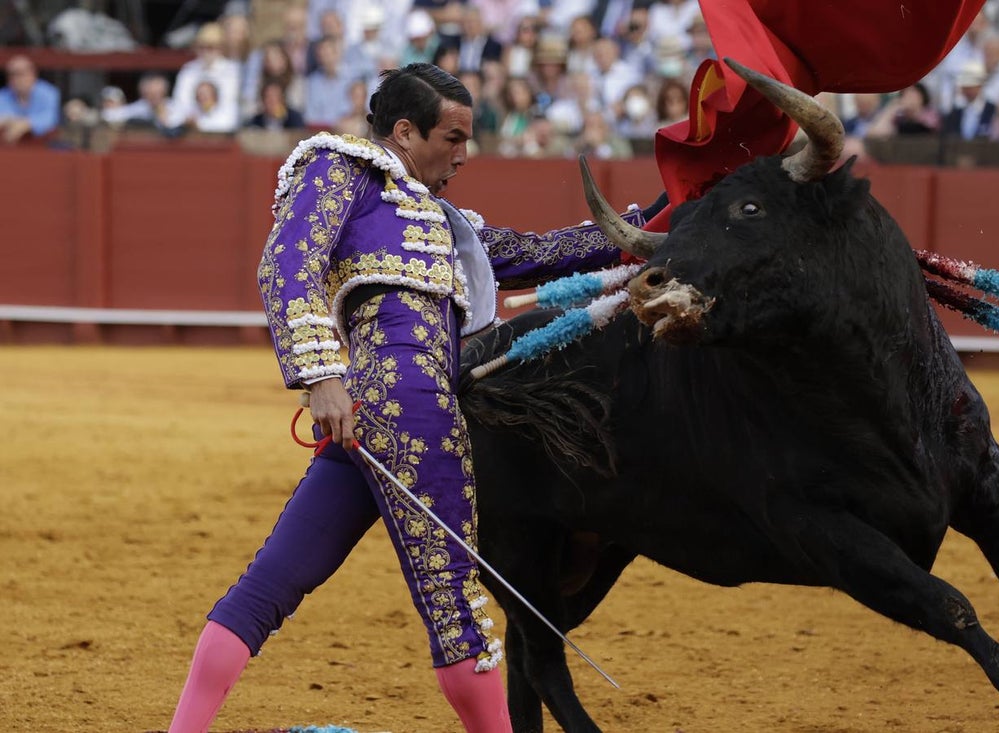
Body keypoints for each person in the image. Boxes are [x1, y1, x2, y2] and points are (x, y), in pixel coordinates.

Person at [165, 62, 647, 733]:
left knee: (270, 585)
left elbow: (539, 251)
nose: (464, 152)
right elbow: (287, 262)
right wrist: (319, 373)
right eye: (451, 136)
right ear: (403, 131)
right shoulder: (346, 170)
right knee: (454, 611)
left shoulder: (448, 222)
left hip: (375, 413)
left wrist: (651, 221)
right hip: (412, 402)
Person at [0, 54, 60, 144]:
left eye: (20, 74)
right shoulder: (3, 95)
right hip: (10, 148)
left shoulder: (49, 93)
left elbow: (51, 119)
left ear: (32, 74)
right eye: (11, 75)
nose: (15, 79)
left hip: (44, 147)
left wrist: (27, 123)